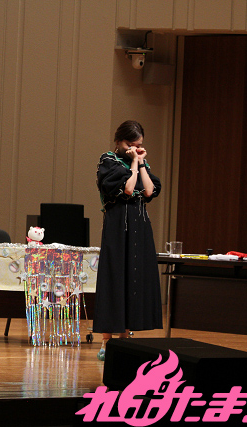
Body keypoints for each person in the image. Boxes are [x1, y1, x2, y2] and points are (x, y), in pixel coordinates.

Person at [94, 120, 163, 360]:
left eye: (139, 144)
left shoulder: (142, 164)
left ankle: (125, 339)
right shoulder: (108, 161)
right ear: (119, 141)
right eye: (130, 144)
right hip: (117, 228)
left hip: (139, 229)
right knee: (115, 278)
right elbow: (127, 189)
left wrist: (141, 163)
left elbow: (149, 191)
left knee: (133, 278)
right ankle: (106, 341)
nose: (134, 148)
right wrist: (134, 163)